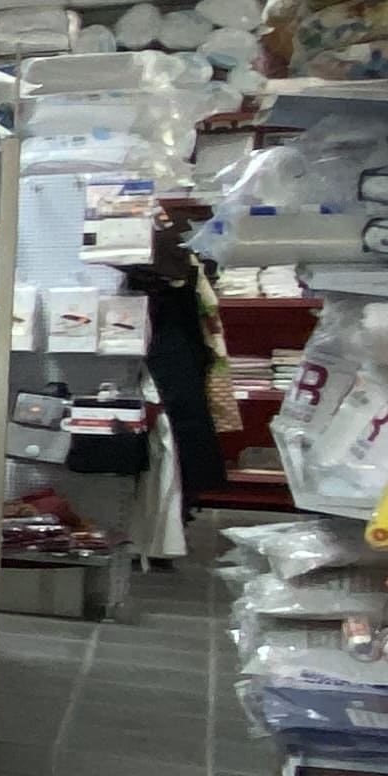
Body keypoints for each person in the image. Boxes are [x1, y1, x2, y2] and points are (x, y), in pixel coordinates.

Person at [120, 202, 237, 542]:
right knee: (172, 417)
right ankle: (169, 515)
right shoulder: (175, 239)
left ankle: (172, 514)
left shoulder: (172, 232)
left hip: (165, 315)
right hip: (163, 316)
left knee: (174, 417)